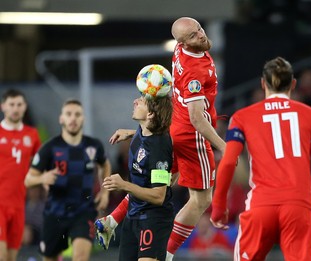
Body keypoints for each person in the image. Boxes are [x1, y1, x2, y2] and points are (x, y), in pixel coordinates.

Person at [95, 16, 226, 260]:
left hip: (174, 127)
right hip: (191, 137)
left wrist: (139, 131)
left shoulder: (179, 50)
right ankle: (167, 252)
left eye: (199, 29)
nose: (200, 35)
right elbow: (197, 118)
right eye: (193, 35)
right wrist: (223, 147)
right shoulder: (195, 72)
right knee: (201, 199)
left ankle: (113, 219)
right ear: (183, 43)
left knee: (163, 179)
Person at [210, 57, 311, 261]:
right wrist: (308, 201)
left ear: (263, 83)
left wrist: (218, 207)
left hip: (260, 205)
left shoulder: (242, 116)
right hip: (298, 205)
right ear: (293, 84)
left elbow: (228, 162)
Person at [24, 99, 111, 261]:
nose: (73, 118)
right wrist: (43, 177)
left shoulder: (93, 145)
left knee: (80, 256)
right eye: (69, 114)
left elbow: (105, 165)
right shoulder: (49, 148)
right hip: (55, 212)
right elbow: (29, 179)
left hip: (84, 212)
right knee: (49, 257)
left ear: (83, 118)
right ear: (61, 119)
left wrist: (105, 192)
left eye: (77, 114)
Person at [98, 93, 174, 260]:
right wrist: (130, 133)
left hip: (153, 219)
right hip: (133, 216)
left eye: (141, 101)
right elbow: (149, 136)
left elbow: (159, 196)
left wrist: (123, 185)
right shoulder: (142, 130)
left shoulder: (159, 148)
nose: (135, 101)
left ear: (150, 114)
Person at [0, 89, 41, 261]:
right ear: (3, 106)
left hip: (18, 206)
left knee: (11, 257)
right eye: (11, 104)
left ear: (24, 107)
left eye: (19, 104)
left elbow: (41, 165)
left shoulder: (31, 135)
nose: (15, 109)